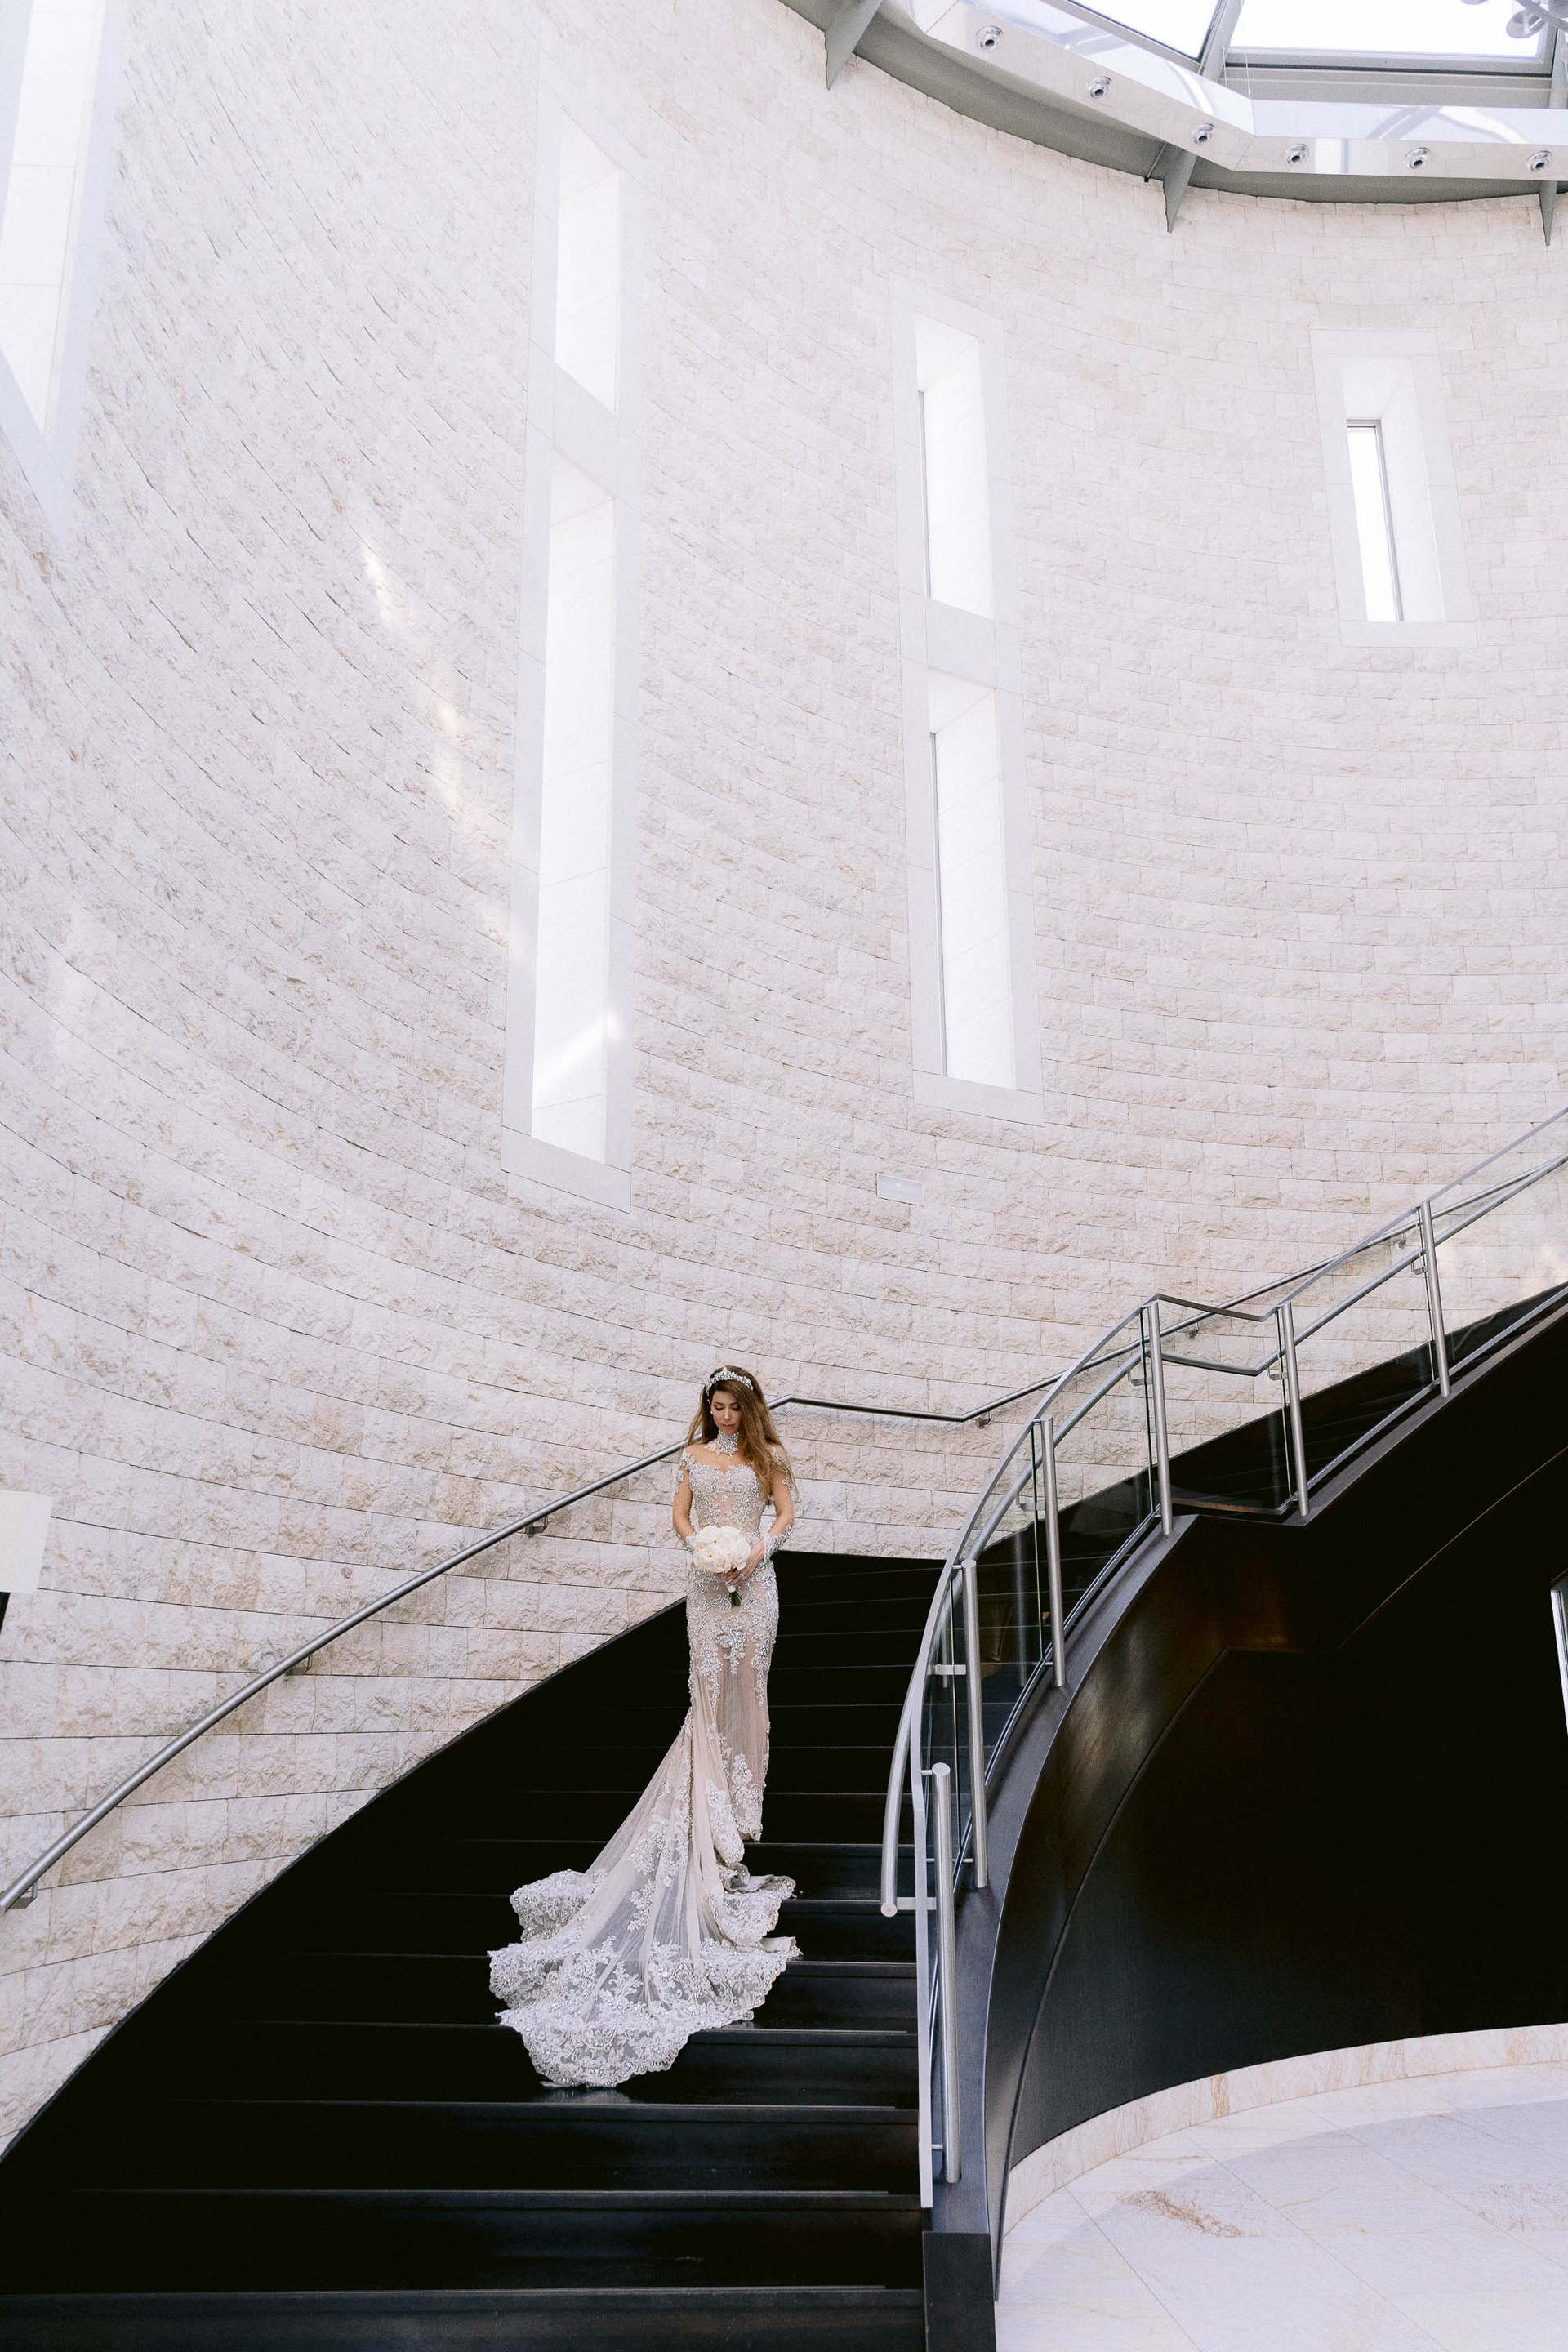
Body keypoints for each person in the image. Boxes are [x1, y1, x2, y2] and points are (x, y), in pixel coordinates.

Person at [489, 1365, 799, 2087]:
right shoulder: (691, 1455)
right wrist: (703, 1550)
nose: (724, 1417)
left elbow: (785, 1516)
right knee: (707, 1692)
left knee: (749, 1694)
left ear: (750, 1410)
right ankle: (708, 1812)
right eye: (716, 1406)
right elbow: (681, 1517)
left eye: (733, 1407)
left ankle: (740, 1809)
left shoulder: (771, 1458)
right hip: (705, 1587)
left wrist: (755, 1550)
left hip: (757, 1587)